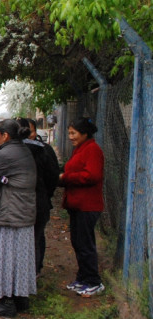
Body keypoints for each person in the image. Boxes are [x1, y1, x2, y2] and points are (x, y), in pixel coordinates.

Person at [0, 119, 37, 317]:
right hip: (25, 211)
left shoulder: (4, 153)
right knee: (21, 256)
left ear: (5, 135)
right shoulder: (24, 149)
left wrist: (2, 181)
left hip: (10, 212)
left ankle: (7, 302)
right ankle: (21, 298)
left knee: (7, 256)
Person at [60, 117, 105, 297]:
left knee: (85, 244)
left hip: (88, 205)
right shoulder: (80, 148)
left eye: (73, 133)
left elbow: (92, 175)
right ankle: (83, 278)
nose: (70, 137)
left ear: (84, 133)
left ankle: (94, 281)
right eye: (69, 133)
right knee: (78, 243)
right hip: (77, 204)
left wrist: (66, 177)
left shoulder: (93, 150)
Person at [17, 117, 60, 276]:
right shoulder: (41, 150)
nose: (29, 135)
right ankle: (31, 275)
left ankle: (30, 274)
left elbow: (52, 176)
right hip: (39, 202)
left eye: (31, 131)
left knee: (35, 237)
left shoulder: (43, 150)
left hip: (35, 203)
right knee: (34, 238)